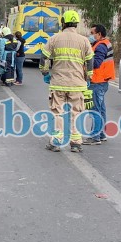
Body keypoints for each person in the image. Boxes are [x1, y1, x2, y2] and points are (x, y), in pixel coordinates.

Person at [40, 10, 93, 153]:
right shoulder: (84, 40)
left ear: (63, 23)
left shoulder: (54, 39)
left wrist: (45, 72)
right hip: (77, 84)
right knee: (76, 113)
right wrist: (88, 77)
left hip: (58, 82)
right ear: (76, 24)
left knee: (57, 112)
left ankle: (56, 141)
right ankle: (76, 143)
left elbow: (44, 57)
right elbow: (89, 61)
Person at [82, 24, 115, 145]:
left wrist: (84, 60)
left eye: (92, 33)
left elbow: (96, 63)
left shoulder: (100, 46)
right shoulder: (104, 43)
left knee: (95, 110)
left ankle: (94, 137)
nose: (90, 35)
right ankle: (101, 134)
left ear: (99, 34)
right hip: (102, 81)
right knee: (101, 110)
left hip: (97, 81)